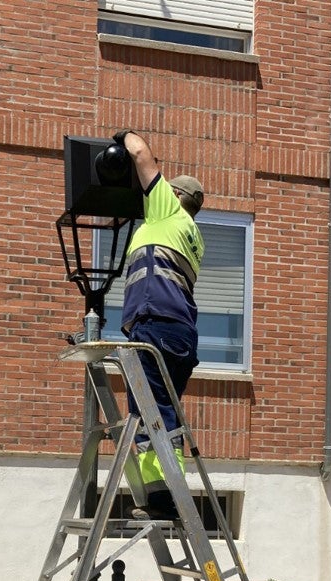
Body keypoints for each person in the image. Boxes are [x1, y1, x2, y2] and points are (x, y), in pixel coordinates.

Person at [112, 130, 205, 521]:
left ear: (176, 196)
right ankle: (160, 497)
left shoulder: (168, 211)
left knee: (156, 415)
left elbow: (141, 154)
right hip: (176, 333)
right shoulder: (191, 234)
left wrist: (121, 136)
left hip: (157, 328)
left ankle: (169, 499)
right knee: (157, 412)